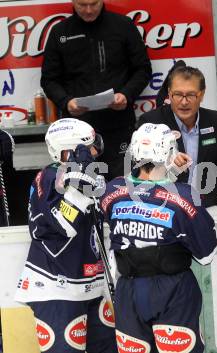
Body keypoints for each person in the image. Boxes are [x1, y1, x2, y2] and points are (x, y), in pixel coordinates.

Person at [100, 122, 217, 353]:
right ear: (169, 153)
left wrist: (169, 174)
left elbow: (143, 188)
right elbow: (207, 254)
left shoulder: (112, 191)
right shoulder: (185, 198)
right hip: (172, 290)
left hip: (128, 290)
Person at [15, 118, 116, 353]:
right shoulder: (49, 177)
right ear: (70, 151)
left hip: (91, 284)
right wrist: (78, 188)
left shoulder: (92, 176)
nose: (95, 151)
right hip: (57, 286)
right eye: (89, 146)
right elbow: (64, 224)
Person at [41, 0, 152, 181]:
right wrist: (66, 102)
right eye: (82, 5)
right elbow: (49, 80)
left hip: (118, 126)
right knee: (78, 186)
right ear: (73, 2)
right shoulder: (59, 32)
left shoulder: (123, 25)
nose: (89, 10)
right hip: (75, 131)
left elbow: (143, 69)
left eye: (94, 4)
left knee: (121, 185)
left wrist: (126, 94)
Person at [137, 66, 217, 209]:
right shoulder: (151, 122)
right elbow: (139, 173)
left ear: (202, 94)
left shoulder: (216, 121)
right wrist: (167, 165)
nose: (184, 102)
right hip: (166, 208)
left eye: (191, 95)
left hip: (208, 209)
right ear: (169, 94)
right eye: (178, 94)